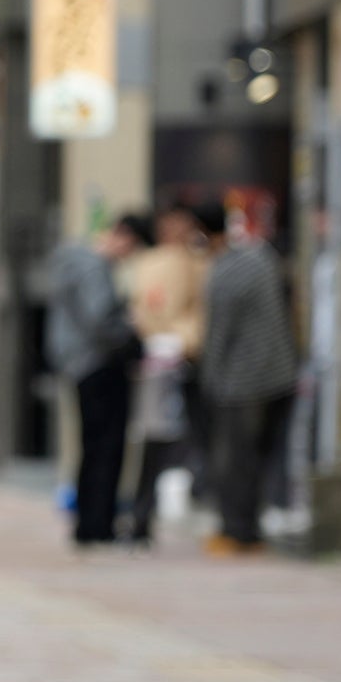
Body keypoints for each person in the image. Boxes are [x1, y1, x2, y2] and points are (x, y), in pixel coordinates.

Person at [197, 202, 298, 553]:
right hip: (280, 374)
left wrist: (208, 380)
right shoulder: (262, 258)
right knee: (260, 458)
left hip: (242, 381)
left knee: (234, 459)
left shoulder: (224, 272)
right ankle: (252, 530)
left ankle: (236, 531)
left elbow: (217, 335)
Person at [45, 216, 146, 547]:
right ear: (122, 236)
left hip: (76, 363)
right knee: (106, 447)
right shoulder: (94, 266)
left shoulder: (70, 260)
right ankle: (98, 524)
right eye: (131, 247)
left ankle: (88, 523)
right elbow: (100, 317)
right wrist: (131, 334)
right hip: (98, 363)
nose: (127, 256)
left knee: (91, 446)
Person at [124, 205, 209, 544]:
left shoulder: (199, 264)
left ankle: (200, 503)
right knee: (154, 443)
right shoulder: (152, 265)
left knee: (199, 440)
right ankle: (142, 517)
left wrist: (186, 339)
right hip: (158, 365)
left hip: (192, 362)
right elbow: (145, 309)